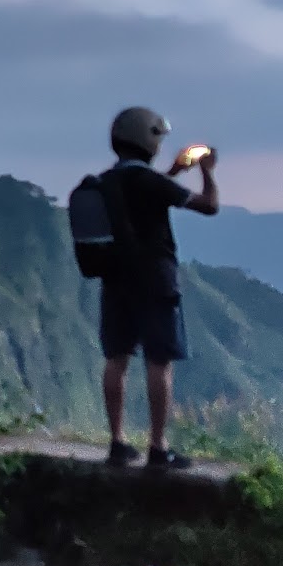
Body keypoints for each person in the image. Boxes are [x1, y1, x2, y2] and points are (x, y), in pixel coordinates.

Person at [98, 106, 220, 470]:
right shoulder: (151, 184)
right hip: (155, 279)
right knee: (158, 360)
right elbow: (209, 206)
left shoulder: (106, 181)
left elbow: (143, 194)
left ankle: (118, 443)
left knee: (116, 359)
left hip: (116, 277)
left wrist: (173, 173)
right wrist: (206, 173)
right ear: (147, 140)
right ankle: (157, 446)